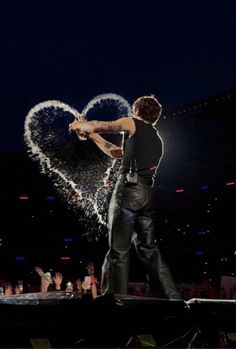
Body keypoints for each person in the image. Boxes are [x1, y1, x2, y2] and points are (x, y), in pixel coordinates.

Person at [69, 95, 180, 299]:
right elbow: (117, 154)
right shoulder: (157, 140)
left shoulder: (130, 122)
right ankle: (172, 299)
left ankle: (115, 303)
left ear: (136, 110)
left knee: (118, 249)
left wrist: (83, 125)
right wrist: (92, 136)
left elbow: (102, 125)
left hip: (128, 191)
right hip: (146, 196)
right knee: (149, 249)